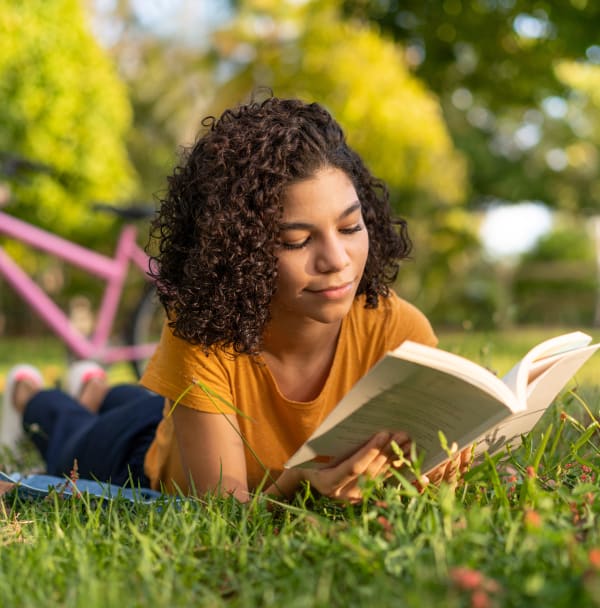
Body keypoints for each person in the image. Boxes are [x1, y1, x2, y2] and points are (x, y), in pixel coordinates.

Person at [0, 96, 468, 503]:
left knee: (134, 399)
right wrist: (301, 483)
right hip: (142, 452)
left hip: (186, 410)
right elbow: (224, 512)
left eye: (350, 228)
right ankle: (26, 393)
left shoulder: (398, 330)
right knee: (68, 436)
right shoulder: (203, 329)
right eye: (297, 240)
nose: (336, 260)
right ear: (240, 249)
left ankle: (96, 388)